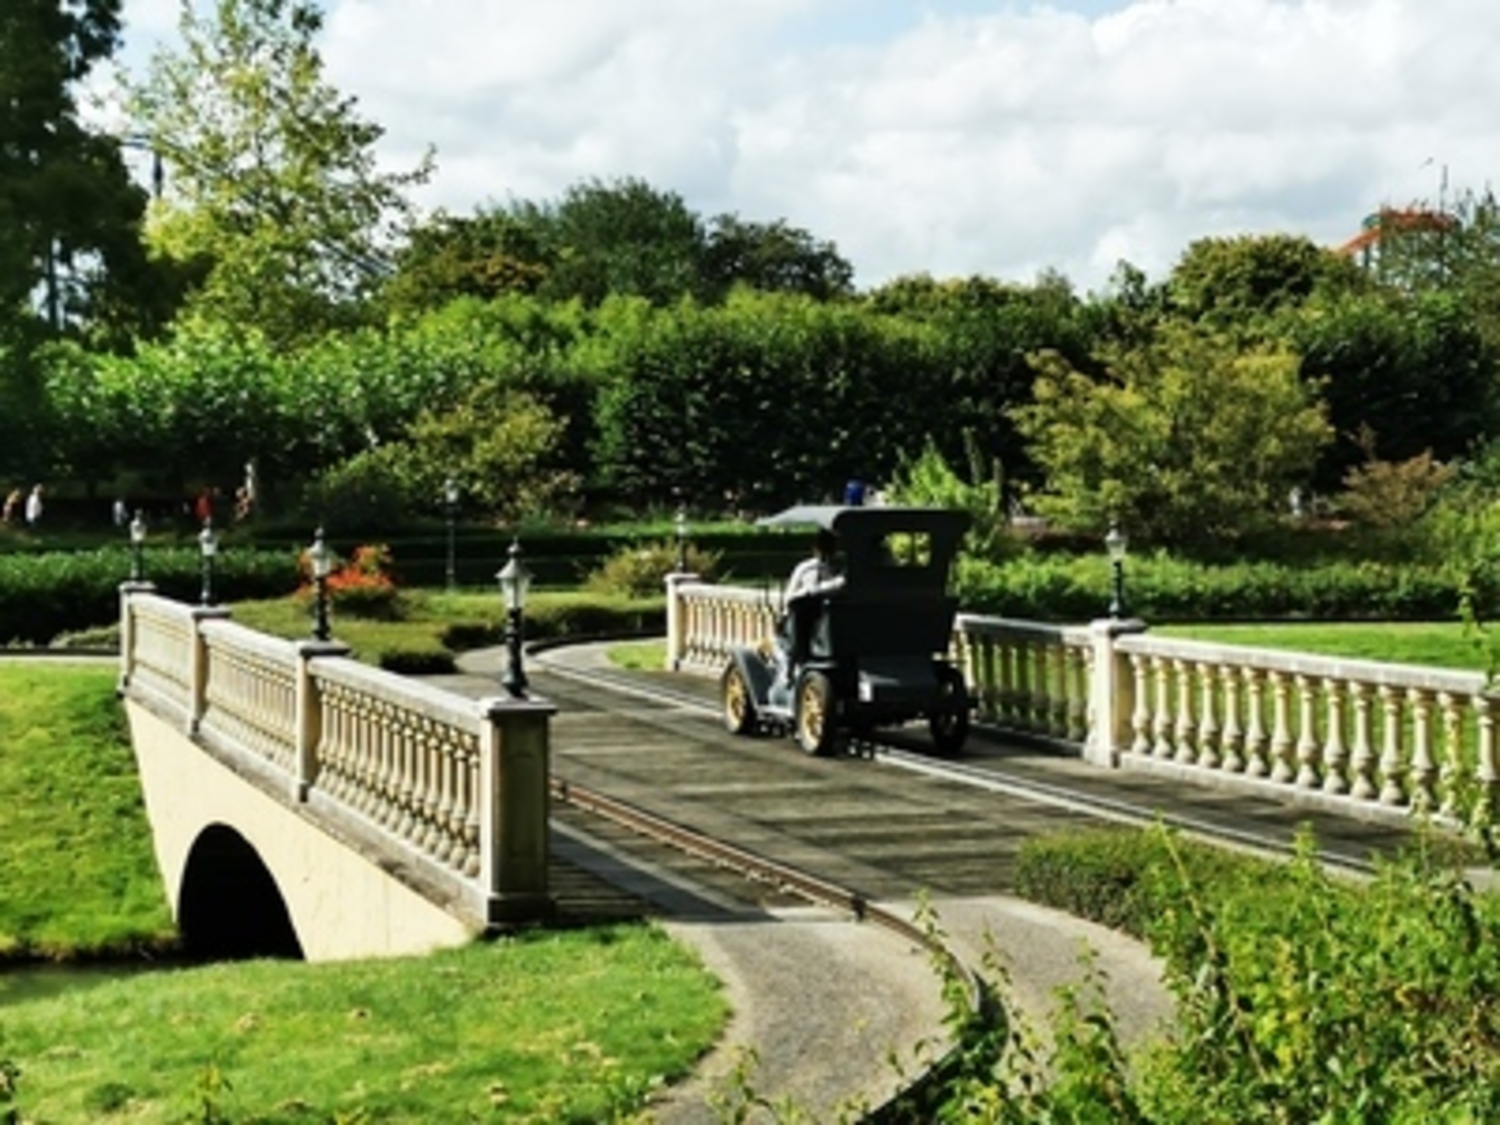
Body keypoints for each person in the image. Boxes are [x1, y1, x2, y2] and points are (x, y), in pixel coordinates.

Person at [779, 528, 844, 683]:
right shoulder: (806, 568)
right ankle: (793, 662)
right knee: (799, 609)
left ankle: (797, 661)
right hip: (807, 614)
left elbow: (840, 587)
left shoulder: (839, 570)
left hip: (827, 616)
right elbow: (791, 597)